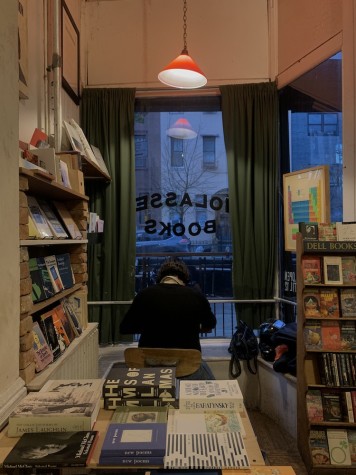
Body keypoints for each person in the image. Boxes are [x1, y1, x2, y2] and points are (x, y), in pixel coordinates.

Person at [120, 257, 217, 379]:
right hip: (187, 369)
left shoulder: (144, 295)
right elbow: (211, 324)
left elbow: (125, 327)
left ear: (160, 276)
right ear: (185, 277)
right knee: (210, 382)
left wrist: (151, 325)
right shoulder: (196, 296)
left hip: (149, 367)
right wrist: (190, 326)